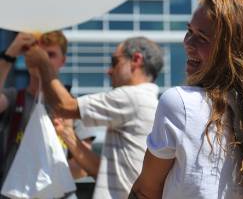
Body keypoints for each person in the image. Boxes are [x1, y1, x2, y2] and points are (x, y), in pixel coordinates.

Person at [128, 0, 243, 199]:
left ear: (231, 50)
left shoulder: (181, 103)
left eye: (202, 38)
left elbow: (146, 191)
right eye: (190, 32)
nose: (188, 43)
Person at [25, 36, 164, 199]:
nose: (109, 71)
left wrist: (42, 62)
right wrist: (67, 133)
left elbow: (64, 106)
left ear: (136, 59)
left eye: (114, 62)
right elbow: (99, 171)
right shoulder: (145, 100)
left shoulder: (133, 97)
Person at [0, 31, 95, 198]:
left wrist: (44, 180)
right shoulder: (14, 99)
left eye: (50, 55)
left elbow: (82, 167)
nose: (41, 59)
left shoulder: (73, 107)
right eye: (37, 53)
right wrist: (11, 52)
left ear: (62, 61)